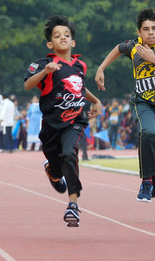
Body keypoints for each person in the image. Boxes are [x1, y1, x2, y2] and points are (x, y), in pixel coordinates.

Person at [95, 8, 155, 202]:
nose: (151, 32)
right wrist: (101, 68)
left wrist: (153, 59)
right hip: (142, 102)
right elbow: (119, 48)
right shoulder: (133, 47)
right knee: (148, 133)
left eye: (154, 28)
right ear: (139, 32)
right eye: (146, 29)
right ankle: (146, 181)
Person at [24, 15, 102, 227]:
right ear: (50, 43)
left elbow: (78, 87)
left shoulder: (80, 66)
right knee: (58, 167)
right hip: (51, 126)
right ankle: (53, 171)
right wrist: (45, 72)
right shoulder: (44, 64)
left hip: (75, 121)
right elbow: (28, 85)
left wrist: (96, 100)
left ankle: (73, 205)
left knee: (70, 153)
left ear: (73, 41)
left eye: (66, 35)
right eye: (57, 36)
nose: (63, 38)